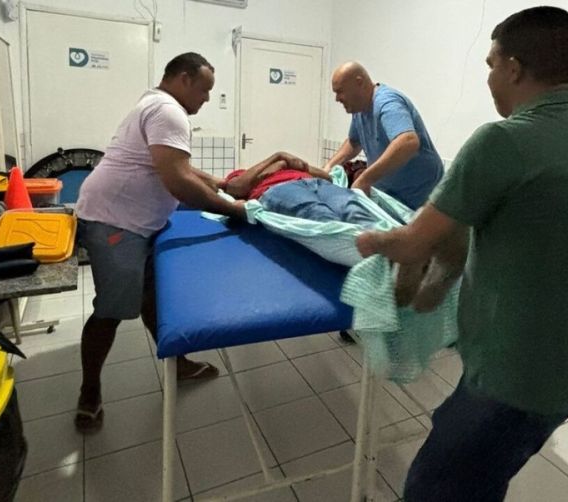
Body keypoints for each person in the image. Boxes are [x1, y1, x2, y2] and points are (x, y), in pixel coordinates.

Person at [356, 7, 568, 501]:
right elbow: (517, 225)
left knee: (433, 489)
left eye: (491, 65)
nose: (488, 77)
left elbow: (412, 243)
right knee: (476, 478)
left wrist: (369, 241)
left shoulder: (504, 140)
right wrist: (443, 272)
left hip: (515, 379)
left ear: (513, 69)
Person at [73, 52, 245, 432]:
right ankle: (89, 392)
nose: (206, 98)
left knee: (152, 297)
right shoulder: (169, 111)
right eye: (204, 90)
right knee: (112, 309)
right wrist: (235, 210)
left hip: (133, 221)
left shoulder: (154, 102)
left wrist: (217, 183)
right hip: (116, 223)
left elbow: (174, 165)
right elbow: (178, 181)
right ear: (184, 79)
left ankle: (178, 364)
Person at [323, 61, 443, 211]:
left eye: (340, 91)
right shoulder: (359, 110)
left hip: (419, 199)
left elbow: (408, 142)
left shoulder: (387, 103)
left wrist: (365, 179)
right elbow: (354, 142)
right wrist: (328, 168)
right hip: (390, 197)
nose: (337, 99)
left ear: (359, 82)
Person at [222, 151, 380, 228]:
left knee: (354, 209)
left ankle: (385, 247)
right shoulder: (242, 174)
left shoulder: (289, 166)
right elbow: (236, 188)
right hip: (280, 189)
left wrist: (297, 164)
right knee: (321, 215)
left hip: (316, 183)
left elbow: (328, 178)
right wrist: (277, 157)